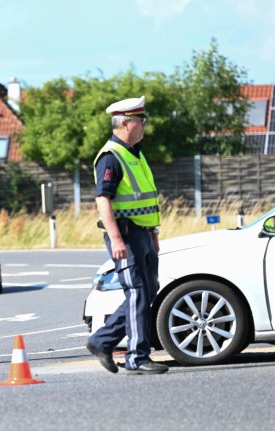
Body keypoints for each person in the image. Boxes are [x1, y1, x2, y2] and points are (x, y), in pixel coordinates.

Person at [85, 96, 168, 375]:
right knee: (137, 292)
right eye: (140, 120)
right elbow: (103, 200)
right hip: (125, 235)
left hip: (143, 235)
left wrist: (153, 232)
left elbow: (145, 200)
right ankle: (136, 357)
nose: (144, 125)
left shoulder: (136, 152)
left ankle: (101, 341)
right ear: (124, 123)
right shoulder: (111, 156)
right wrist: (117, 239)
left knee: (146, 292)